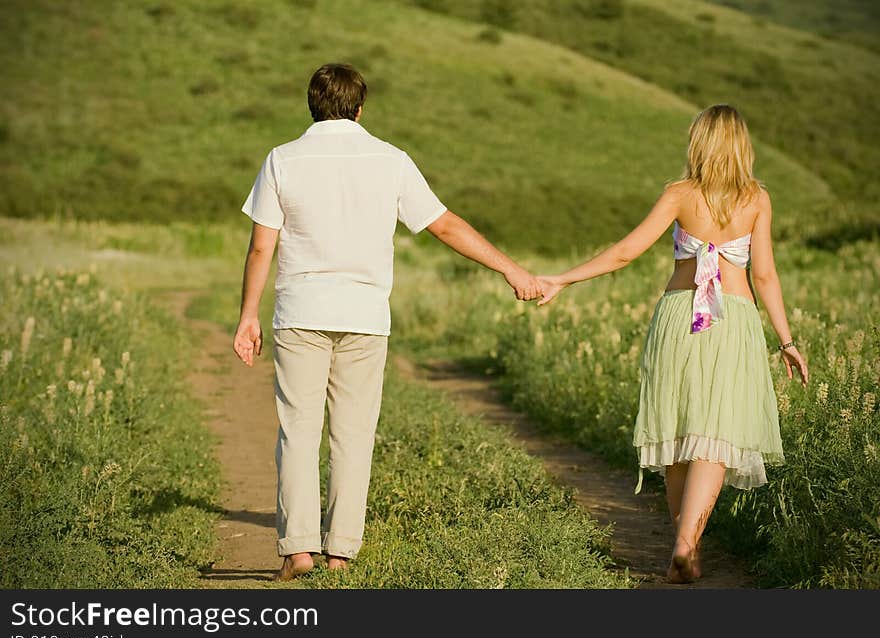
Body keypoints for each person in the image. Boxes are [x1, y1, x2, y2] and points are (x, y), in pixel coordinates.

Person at [233, 63, 542, 580]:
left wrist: (247, 316)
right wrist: (511, 268)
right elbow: (443, 224)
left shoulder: (282, 159)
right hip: (365, 317)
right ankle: (340, 552)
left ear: (312, 105)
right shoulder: (391, 159)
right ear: (359, 107)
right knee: (353, 436)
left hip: (301, 313)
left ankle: (298, 549)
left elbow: (263, 243)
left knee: (298, 432)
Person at [536, 105, 808, 583]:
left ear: (698, 143)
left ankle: (684, 547)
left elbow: (625, 252)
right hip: (734, 322)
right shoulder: (756, 199)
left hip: (680, 317)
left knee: (679, 431)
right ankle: (688, 544)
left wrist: (563, 279)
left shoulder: (680, 194)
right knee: (715, 434)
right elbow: (764, 274)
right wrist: (786, 340)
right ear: (742, 145)